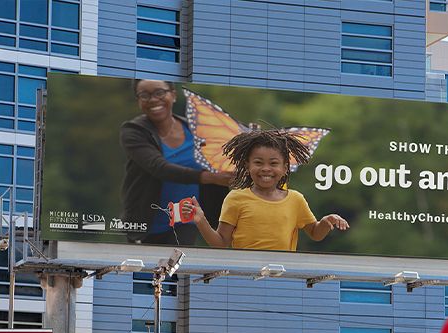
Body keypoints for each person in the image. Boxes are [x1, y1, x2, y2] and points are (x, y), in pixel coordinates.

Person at [181, 129, 349, 251]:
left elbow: (315, 233)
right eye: (259, 163)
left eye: (273, 163)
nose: (266, 169)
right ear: (247, 166)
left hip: (283, 277)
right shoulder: (235, 199)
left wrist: (327, 222)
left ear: (285, 168)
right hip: (244, 275)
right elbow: (221, 242)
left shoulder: (296, 200)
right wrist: (201, 221)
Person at [120, 79, 234, 245]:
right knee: (145, 271)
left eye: (159, 92)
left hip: (184, 221)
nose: (153, 99)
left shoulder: (195, 131)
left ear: (173, 95)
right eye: (144, 95)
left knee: (178, 268)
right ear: (138, 101)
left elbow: (219, 159)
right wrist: (210, 177)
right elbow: (160, 168)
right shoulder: (133, 131)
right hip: (145, 224)